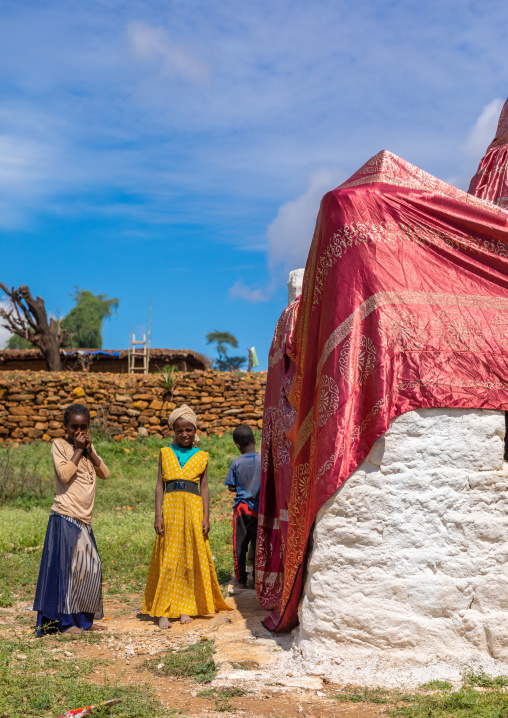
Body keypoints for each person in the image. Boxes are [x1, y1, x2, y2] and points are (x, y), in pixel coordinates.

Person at [142, 404, 232, 628]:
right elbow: (159, 486)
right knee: (169, 559)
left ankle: (185, 607)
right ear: (174, 430)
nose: (184, 434)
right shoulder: (165, 453)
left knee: (190, 559)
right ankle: (162, 610)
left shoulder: (202, 456)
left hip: (193, 510)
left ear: (195, 431)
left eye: (189, 430)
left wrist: (206, 516)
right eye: (180, 430)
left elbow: (205, 488)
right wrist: (157, 516)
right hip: (171, 510)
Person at [33, 404, 109, 635]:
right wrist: (77, 450)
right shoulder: (60, 446)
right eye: (74, 427)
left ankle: (84, 621)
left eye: (83, 427)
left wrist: (89, 451)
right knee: (68, 572)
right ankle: (66, 624)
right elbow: (65, 474)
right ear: (66, 427)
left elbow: (104, 473)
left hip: (84, 518)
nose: (79, 431)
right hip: (65, 514)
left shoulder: (88, 447)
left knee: (89, 569)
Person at [225, 424, 261, 589]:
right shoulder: (263, 461)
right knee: (257, 544)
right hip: (258, 509)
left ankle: (241, 580)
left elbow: (231, 486)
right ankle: (257, 578)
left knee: (240, 545)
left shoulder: (236, 463)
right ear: (255, 440)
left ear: (237, 446)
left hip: (241, 509)